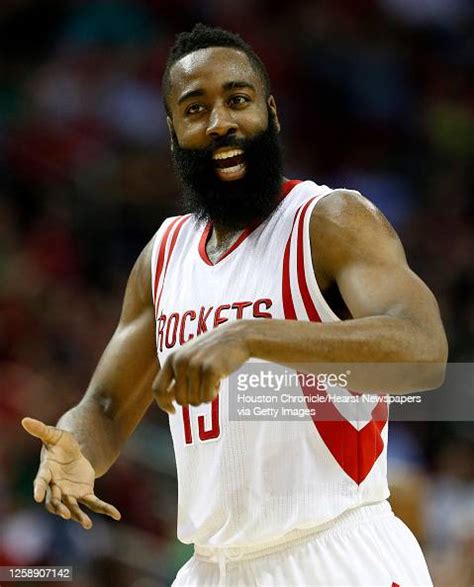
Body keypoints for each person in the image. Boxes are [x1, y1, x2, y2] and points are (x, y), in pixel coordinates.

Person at [22, 24, 448, 586]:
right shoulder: (163, 255)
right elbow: (104, 405)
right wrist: (75, 446)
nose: (220, 121)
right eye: (195, 109)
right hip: (212, 568)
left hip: (335, 554)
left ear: (271, 113)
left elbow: (423, 354)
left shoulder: (329, 221)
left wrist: (251, 335)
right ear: (173, 131)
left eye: (238, 100)